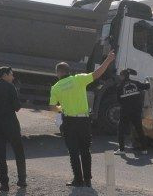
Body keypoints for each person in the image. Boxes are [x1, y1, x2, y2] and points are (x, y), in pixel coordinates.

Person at [49, 48, 116, 187]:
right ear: (68, 71)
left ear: (58, 73)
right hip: (84, 120)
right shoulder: (79, 79)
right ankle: (88, 180)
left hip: (69, 121)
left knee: (73, 151)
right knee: (85, 150)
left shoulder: (55, 87)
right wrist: (108, 60)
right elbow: (97, 74)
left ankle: (77, 180)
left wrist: (62, 108)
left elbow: (52, 107)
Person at [0, 67, 26, 190]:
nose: (13, 77)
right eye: (11, 75)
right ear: (5, 75)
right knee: (19, 151)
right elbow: (17, 107)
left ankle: (4, 184)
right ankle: (22, 179)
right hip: (11, 124)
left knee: (0, 155)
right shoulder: (10, 87)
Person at [116, 68, 149, 152]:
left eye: (120, 75)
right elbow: (147, 86)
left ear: (123, 76)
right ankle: (144, 149)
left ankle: (121, 150)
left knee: (121, 130)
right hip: (136, 111)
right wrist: (149, 80)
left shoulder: (120, 86)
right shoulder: (136, 83)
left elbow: (118, 100)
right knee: (139, 129)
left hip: (125, 111)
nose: (120, 77)